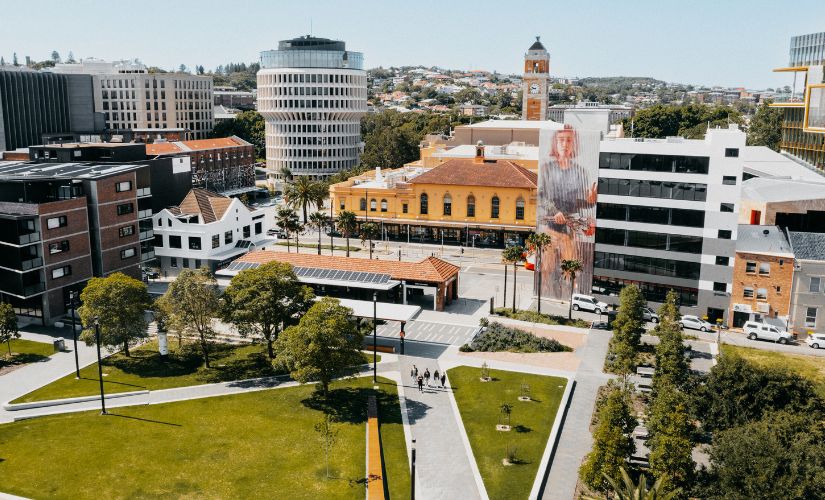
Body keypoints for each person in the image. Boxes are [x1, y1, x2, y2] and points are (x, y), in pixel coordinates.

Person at [537, 125, 597, 300]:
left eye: (569, 140)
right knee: (546, 270)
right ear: (555, 144)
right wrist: (555, 212)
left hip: (570, 235)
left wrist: (590, 201)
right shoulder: (546, 169)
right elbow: (542, 196)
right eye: (561, 140)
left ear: (574, 144)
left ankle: (568, 298)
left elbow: (577, 204)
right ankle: (545, 297)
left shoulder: (581, 172)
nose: (565, 144)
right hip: (550, 230)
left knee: (570, 270)